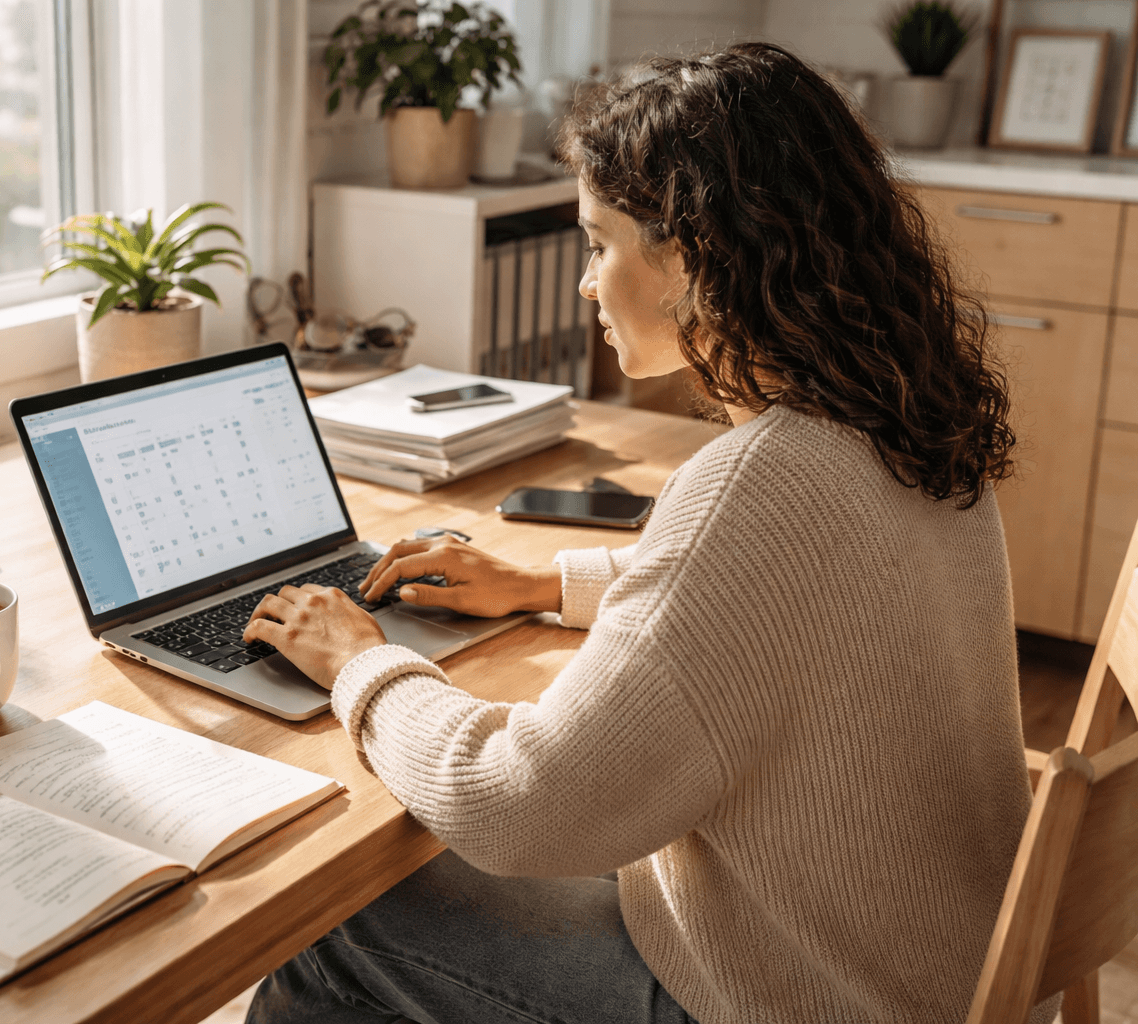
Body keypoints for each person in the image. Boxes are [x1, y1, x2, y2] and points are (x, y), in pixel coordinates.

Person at [241, 41, 1045, 1024]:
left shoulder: (753, 484)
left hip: (802, 996)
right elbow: (784, 595)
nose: (587, 283)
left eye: (597, 243)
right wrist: (543, 585)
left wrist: (359, 664)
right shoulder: (903, 417)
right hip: (943, 968)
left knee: (333, 918)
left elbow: (515, 806)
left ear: (692, 254)